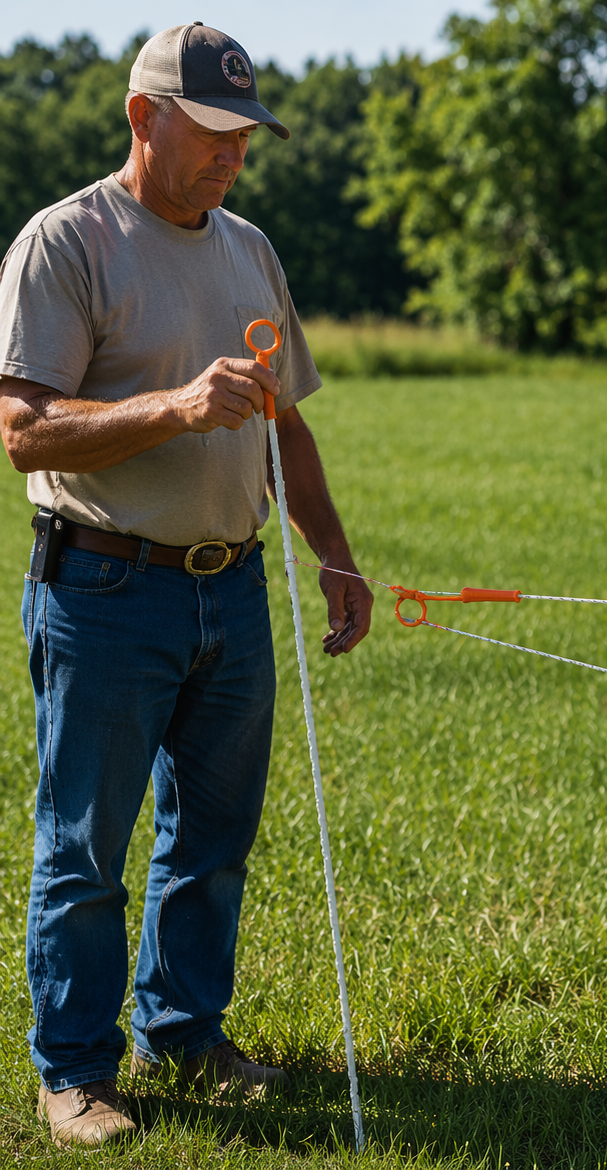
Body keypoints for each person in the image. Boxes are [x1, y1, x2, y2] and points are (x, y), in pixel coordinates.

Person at [0, 23, 375, 1148]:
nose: (230, 155)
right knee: (87, 849)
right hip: (106, 592)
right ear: (142, 117)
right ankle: (73, 1071)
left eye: (245, 136)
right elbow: (22, 432)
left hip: (234, 591)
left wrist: (333, 552)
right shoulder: (65, 243)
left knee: (212, 840)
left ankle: (186, 1033)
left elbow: (285, 422)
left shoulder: (248, 249)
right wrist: (172, 405)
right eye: (211, 131)